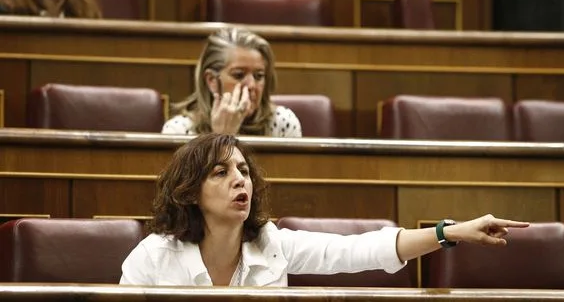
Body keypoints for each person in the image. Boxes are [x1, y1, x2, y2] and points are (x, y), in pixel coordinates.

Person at [120, 133, 529, 286]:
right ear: (190, 192)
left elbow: (358, 250)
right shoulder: (153, 258)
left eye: (243, 170)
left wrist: (450, 232)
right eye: (220, 172)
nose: (239, 180)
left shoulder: (271, 242)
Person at [162, 27, 302, 137]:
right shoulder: (179, 130)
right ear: (212, 80)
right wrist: (222, 136)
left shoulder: (283, 123)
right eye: (239, 75)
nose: (251, 85)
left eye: (259, 76)